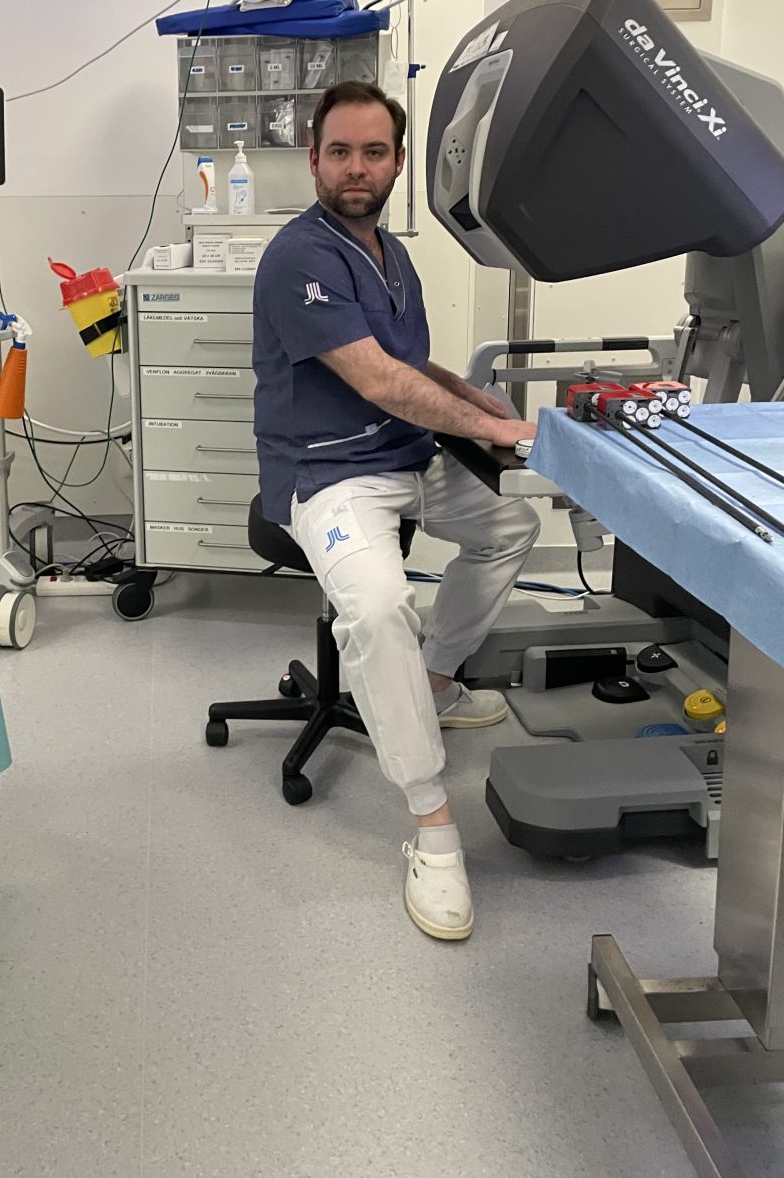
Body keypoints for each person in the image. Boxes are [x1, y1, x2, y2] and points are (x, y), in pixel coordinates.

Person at [252, 79, 541, 941]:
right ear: (314, 159)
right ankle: (432, 825)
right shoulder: (298, 257)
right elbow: (377, 379)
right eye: (340, 151)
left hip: (406, 454)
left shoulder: (391, 254)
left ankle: (437, 681)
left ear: (398, 162)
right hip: (330, 472)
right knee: (380, 607)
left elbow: (409, 366)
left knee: (513, 524)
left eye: (374, 152)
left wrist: (482, 406)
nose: (357, 167)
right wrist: (492, 426)